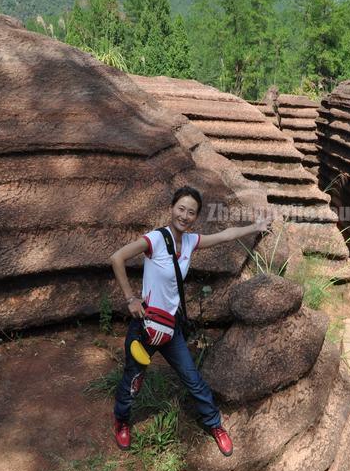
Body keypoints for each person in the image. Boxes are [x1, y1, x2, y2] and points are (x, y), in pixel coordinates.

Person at [109, 185, 271, 455]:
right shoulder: (156, 239)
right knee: (134, 378)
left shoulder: (191, 242)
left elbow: (224, 236)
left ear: (195, 217)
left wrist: (256, 226)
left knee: (192, 378)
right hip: (146, 325)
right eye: (181, 209)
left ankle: (215, 425)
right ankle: (122, 421)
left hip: (171, 328)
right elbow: (117, 258)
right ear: (172, 208)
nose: (184, 215)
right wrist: (130, 299)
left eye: (191, 212)